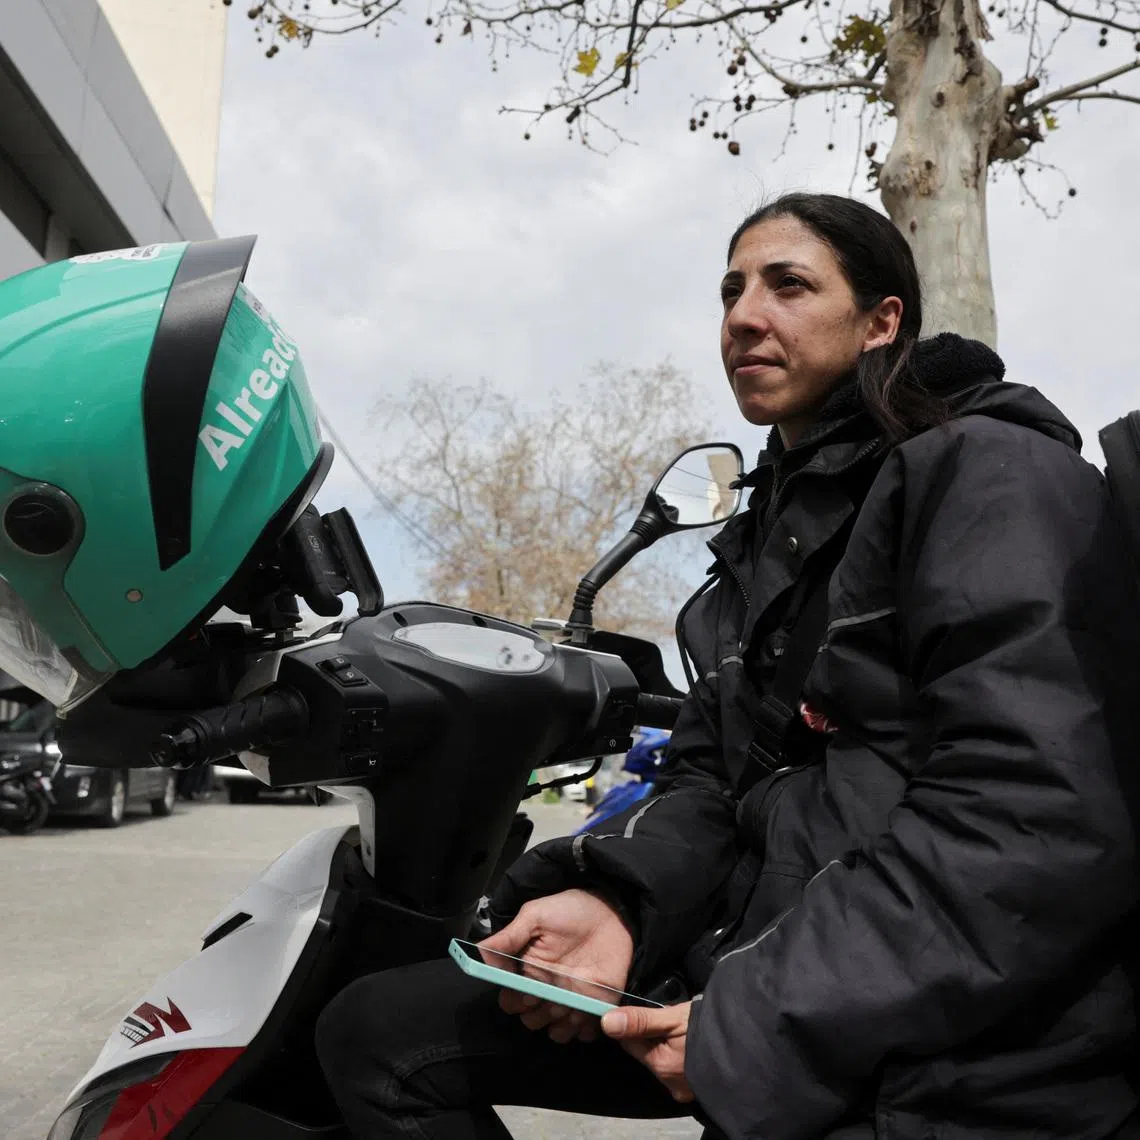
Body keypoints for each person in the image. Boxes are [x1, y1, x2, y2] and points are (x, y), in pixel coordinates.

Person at [314, 192, 1140, 1140]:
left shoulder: (989, 474)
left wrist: (759, 1018)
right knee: (379, 1034)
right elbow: (714, 777)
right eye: (731, 289)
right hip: (776, 977)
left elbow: (1036, 817)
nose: (744, 316)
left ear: (883, 323)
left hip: (961, 1054)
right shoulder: (759, 548)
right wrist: (620, 902)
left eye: (790, 285)